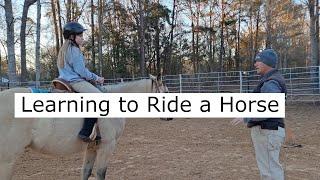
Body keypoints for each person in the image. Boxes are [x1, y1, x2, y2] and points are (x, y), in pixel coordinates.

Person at [231, 49, 286, 180]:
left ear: (266, 62)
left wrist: (246, 117)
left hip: (267, 131)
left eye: (258, 61)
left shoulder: (270, 82)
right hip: (269, 130)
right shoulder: (271, 80)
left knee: (269, 172)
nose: (255, 64)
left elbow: (270, 107)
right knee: (270, 169)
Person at [57, 21, 104, 142]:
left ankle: (95, 130)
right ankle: (86, 132)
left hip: (63, 80)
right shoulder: (74, 50)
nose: (82, 38)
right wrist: (97, 78)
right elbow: (82, 72)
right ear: (72, 37)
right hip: (76, 81)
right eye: (80, 35)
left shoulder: (63, 51)